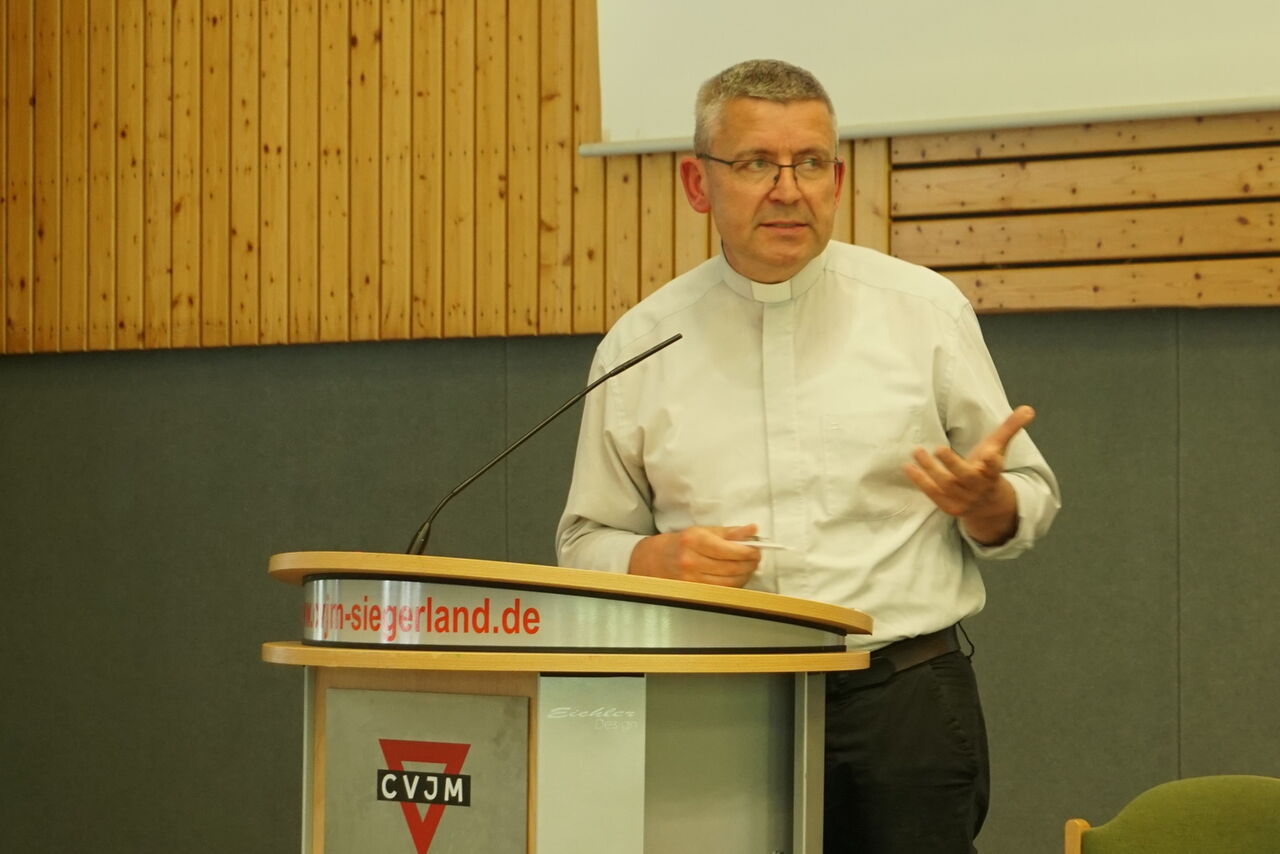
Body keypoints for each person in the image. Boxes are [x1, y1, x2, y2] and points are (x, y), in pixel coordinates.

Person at [555, 59, 1060, 853]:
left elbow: (1025, 493)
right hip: (716, 706)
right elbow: (584, 542)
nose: (788, 189)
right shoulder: (642, 344)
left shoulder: (922, 311)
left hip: (903, 703)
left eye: (811, 163)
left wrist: (988, 505)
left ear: (837, 177)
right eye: (757, 162)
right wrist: (655, 559)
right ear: (697, 183)